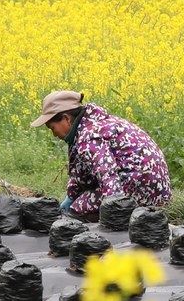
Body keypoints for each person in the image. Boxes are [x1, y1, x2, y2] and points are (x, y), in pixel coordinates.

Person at [31, 90, 172, 220]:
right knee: (78, 202)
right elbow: (84, 172)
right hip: (158, 191)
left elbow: (108, 175)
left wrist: (115, 213)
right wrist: (71, 195)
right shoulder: (97, 124)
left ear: (67, 119)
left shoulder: (89, 137)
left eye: (52, 128)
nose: (53, 134)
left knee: (77, 211)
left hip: (141, 189)